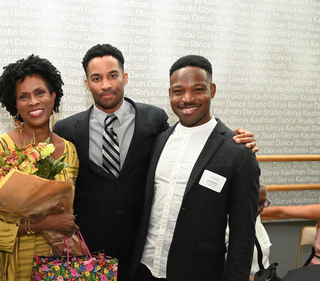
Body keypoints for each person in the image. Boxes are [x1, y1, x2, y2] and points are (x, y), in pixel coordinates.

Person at [53, 44, 258, 280]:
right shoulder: (67, 129)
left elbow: (242, 230)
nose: (106, 84)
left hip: (152, 256)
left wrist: (241, 143)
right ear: (87, 83)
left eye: (113, 75)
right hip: (96, 252)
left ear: (125, 77)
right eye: (97, 78)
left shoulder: (154, 121)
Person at [131, 55, 260, 281]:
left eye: (198, 89)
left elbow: (243, 235)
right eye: (178, 91)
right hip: (145, 268)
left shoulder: (237, 152)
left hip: (198, 273)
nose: (187, 98)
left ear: (212, 90)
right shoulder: (159, 141)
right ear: (170, 94)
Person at [0, 54, 80, 281]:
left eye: (40, 93)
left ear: (53, 97)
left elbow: (68, 209)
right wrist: (43, 223)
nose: (33, 102)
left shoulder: (70, 151)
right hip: (14, 262)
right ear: (15, 104)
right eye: (24, 96)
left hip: (59, 263)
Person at [226, 181, 274, 281]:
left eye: (262, 203)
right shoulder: (224, 224)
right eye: (254, 203)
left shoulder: (254, 215)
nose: (258, 209)